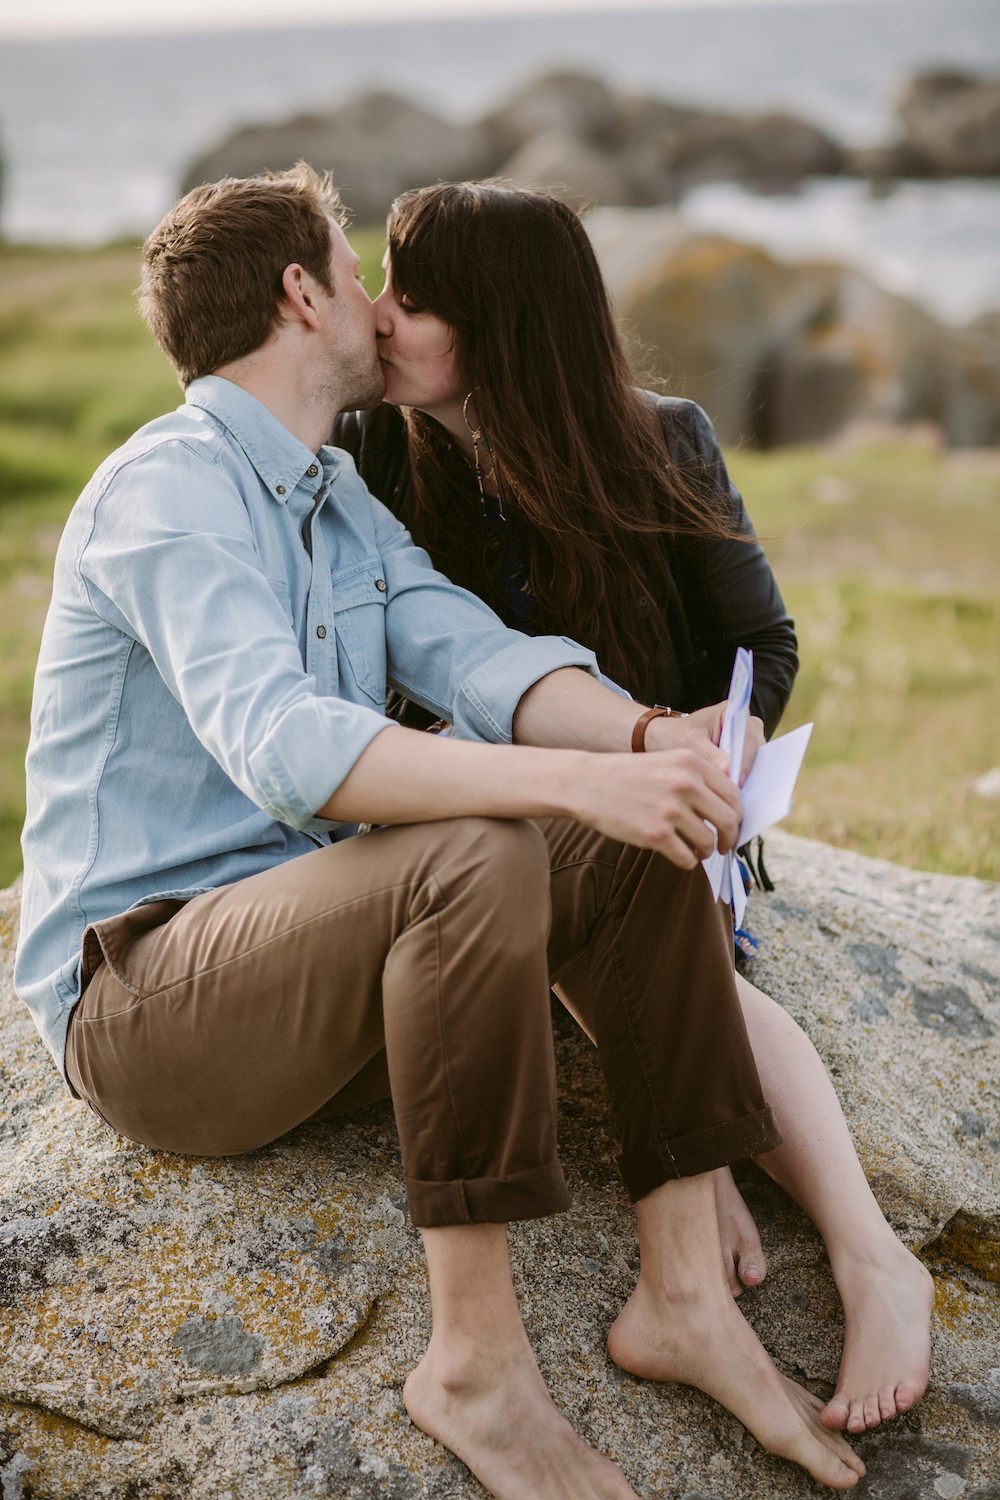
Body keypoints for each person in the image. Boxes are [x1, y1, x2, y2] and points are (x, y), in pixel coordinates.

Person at [12, 162, 871, 1499]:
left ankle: (686, 1297)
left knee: (618, 829)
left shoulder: (334, 497)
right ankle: (475, 1364)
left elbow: (478, 657)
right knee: (483, 841)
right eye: (359, 273)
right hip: (147, 1000)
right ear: (301, 296)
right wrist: (565, 783)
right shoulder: (169, 491)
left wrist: (647, 743)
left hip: (315, 973)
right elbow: (287, 747)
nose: (378, 302)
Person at [333, 179, 933, 1440]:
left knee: (672, 913)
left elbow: (759, 642)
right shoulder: (368, 451)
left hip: (667, 825)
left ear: (503, 323)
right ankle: (706, 1161)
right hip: (480, 826)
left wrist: (728, 731)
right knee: (583, 900)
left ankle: (872, 1259)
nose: (379, 316)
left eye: (413, 297)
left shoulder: (662, 439)